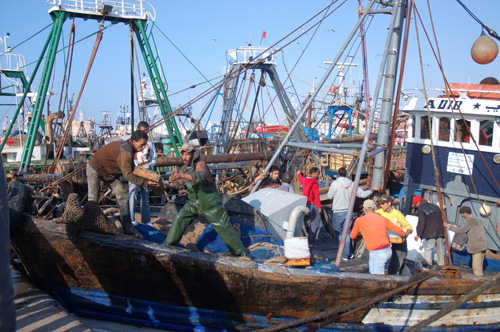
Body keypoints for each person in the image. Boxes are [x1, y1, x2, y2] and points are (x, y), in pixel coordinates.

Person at [164, 143, 246, 256]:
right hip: (193, 203)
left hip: (210, 204)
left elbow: (200, 177)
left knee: (222, 226)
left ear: (193, 154)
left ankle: (240, 253)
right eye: (183, 154)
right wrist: (167, 184)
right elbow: (179, 185)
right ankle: (168, 245)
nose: (184, 157)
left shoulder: (200, 164)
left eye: (187, 154)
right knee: (179, 219)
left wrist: (181, 176)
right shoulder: (184, 168)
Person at [87, 130, 154, 234]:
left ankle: (127, 225)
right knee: (93, 199)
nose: (144, 148)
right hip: (95, 168)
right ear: (133, 141)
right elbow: (128, 174)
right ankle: (91, 225)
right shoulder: (126, 152)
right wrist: (145, 183)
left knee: (122, 195)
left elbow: (131, 169)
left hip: (109, 172)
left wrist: (147, 178)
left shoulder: (129, 148)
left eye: (145, 145)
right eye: (142, 145)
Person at [327, 167, 373, 260]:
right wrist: (371, 190)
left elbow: (329, 196)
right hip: (349, 212)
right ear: (346, 174)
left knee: (338, 232)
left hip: (338, 211)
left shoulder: (335, 184)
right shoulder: (352, 184)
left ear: (338, 174)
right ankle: (347, 254)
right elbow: (363, 194)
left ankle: (343, 253)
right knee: (347, 233)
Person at [350, 199, 406, 274]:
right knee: (374, 273)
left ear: (364, 209)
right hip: (387, 250)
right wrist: (404, 235)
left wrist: (363, 233)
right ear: (374, 209)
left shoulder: (359, 220)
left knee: (377, 277)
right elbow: (399, 231)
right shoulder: (383, 218)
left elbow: (352, 236)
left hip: (376, 252)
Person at [445, 206, 488, 276]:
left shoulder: (470, 220)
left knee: (476, 267)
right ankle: (481, 279)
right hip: (483, 244)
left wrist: (449, 226)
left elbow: (461, 230)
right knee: (480, 266)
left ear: (465, 213)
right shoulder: (478, 219)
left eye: (461, 214)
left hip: (476, 246)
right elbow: (474, 232)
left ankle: (478, 282)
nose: (462, 216)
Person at [376, 195, 413, 275]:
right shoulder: (378, 212)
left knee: (400, 254)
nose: (381, 205)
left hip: (396, 238)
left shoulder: (397, 214)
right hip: (384, 239)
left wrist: (406, 233)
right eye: (380, 204)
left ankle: (393, 273)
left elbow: (408, 227)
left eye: (383, 203)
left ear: (389, 203)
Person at [128, 121, 157, 225]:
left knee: (145, 196)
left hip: (146, 172)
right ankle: (131, 219)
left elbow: (154, 158)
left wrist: (150, 165)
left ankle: (146, 220)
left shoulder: (149, 144)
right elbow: (130, 158)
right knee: (132, 194)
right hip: (135, 172)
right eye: (143, 131)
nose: (145, 133)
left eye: (146, 131)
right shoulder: (132, 143)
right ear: (138, 130)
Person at [415, 195, 445, 267]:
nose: (416, 206)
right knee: (440, 248)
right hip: (440, 231)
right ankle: (441, 265)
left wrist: (418, 234)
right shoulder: (435, 206)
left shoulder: (421, 208)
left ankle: (428, 265)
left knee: (429, 248)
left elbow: (421, 222)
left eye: (415, 204)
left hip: (430, 232)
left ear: (418, 202)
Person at [297, 167, 322, 242]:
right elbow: (316, 196)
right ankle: (311, 239)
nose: (318, 175)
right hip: (312, 204)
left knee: (308, 220)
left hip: (306, 203)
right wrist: (319, 207)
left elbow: (301, 179)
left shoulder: (305, 180)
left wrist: (298, 174)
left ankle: (307, 237)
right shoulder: (313, 182)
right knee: (316, 221)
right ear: (314, 173)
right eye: (318, 173)